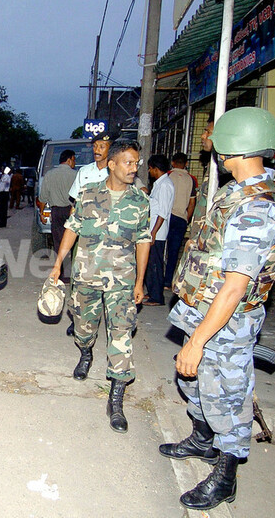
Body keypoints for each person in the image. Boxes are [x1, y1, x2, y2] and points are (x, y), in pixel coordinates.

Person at [161, 107, 275, 510]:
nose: (212, 147)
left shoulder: (257, 207)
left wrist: (198, 341)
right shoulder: (237, 192)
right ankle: (203, 440)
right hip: (205, 310)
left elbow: (235, 286)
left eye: (218, 140)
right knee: (195, 383)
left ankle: (225, 477)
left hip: (227, 323)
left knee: (229, 398)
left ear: (233, 147)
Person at [49, 139, 150, 433]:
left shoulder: (140, 201)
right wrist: (58, 263)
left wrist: (140, 281)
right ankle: (86, 353)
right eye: (128, 163)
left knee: (121, 334)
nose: (134, 168)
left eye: (136, 163)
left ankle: (116, 399)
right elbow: (72, 229)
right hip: (87, 275)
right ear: (112, 164)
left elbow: (144, 241)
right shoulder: (88, 194)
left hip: (122, 280)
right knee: (83, 327)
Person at [38, 149, 77, 279]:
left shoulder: (49, 175)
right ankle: (73, 273)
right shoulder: (76, 175)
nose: (74, 163)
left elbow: (43, 197)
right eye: (74, 160)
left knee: (59, 242)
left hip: (56, 212)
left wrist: (42, 213)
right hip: (72, 211)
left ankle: (61, 273)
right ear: (69, 160)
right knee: (73, 242)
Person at [144, 154, 174, 306]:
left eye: (150, 169)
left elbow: (163, 212)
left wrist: (154, 232)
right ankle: (152, 292)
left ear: (156, 169)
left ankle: (157, 297)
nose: (149, 172)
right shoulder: (159, 184)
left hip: (157, 232)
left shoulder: (165, 185)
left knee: (155, 264)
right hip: (153, 229)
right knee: (150, 264)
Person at [164, 152, 197, 288]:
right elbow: (192, 203)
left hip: (166, 217)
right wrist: (186, 219)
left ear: (172, 162)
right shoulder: (191, 179)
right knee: (174, 251)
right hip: (181, 218)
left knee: (160, 249)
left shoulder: (168, 176)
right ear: (186, 164)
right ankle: (167, 281)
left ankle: (157, 280)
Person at [68, 129, 118, 201]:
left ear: (110, 149)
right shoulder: (84, 171)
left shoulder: (116, 171)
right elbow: (74, 198)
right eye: (94, 146)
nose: (96, 150)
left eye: (102, 147)